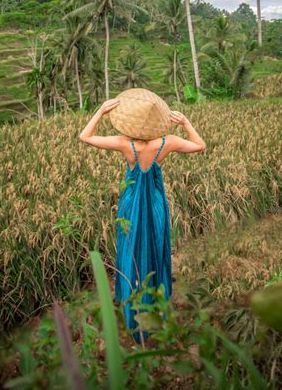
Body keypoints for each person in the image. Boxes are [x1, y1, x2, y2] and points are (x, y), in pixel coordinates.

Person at [79, 96, 206, 343]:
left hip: (131, 203)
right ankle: (157, 305)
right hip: (156, 202)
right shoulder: (167, 142)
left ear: (131, 122)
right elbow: (200, 145)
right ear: (157, 122)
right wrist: (186, 122)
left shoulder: (125, 144)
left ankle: (132, 303)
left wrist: (101, 111)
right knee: (156, 246)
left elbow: (85, 136)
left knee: (131, 248)